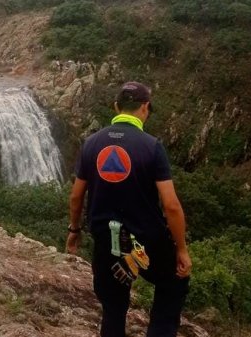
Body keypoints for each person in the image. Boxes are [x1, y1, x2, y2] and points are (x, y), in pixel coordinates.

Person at [66, 82, 192, 337]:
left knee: (113, 305)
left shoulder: (91, 143)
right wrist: (181, 249)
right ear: (145, 108)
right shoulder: (151, 146)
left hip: (106, 240)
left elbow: (76, 196)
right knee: (173, 283)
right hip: (147, 242)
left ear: (116, 107)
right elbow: (171, 205)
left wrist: (74, 229)